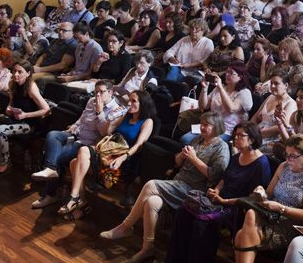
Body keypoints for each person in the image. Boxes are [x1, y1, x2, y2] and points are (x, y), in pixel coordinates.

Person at [101, 112, 230, 262]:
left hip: (195, 191)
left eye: (206, 125)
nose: (202, 127)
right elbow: (176, 163)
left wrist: (194, 159)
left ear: (216, 127)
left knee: (150, 185)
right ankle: (147, 249)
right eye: (201, 123)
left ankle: (125, 226)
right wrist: (182, 156)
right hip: (178, 183)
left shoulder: (222, 148)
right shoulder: (198, 140)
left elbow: (215, 175)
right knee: (152, 202)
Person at [166, 121, 272, 263]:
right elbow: (224, 179)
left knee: (201, 223)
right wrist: (215, 190)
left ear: (252, 139)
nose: (236, 138)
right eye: (235, 134)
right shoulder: (237, 156)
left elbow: (253, 199)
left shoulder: (261, 164)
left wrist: (224, 201)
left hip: (237, 208)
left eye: (241, 135)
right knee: (183, 211)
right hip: (219, 200)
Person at [30, 80, 126, 208]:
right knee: (53, 135)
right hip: (75, 134)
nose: (97, 95)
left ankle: (50, 194)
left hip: (87, 144)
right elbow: (82, 119)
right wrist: (72, 128)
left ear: (110, 92)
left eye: (101, 92)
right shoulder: (91, 101)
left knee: (57, 157)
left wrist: (99, 112)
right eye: (96, 92)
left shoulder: (116, 111)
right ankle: (50, 169)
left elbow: (104, 133)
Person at [60, 90, 154, 215]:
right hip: (108, 152)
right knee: (74, 162)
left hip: (123, 160)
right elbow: (106, 133)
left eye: (133, 101)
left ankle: (78, 200)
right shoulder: (125, 115)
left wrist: (122, 158)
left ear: (143, 104)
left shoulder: (148, 121)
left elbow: (139, 145)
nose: (129, 103)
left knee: (78, 157)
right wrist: (111, 118)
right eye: (129, 100)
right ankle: (78, 200)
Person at [233, 135, 303, 263]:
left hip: (289, 223)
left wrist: (281, 208)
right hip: (270, 213)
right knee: (250, 214)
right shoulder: (283, 166)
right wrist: (261, 192)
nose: (288, 159)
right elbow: (268, 194)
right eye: (286, 155)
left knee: (241, 235)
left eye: (293, 156)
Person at [0, 59, 50, 176]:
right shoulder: (12, 84)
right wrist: (9, 109)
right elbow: (11, 102)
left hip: (30, 123)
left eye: (20, 72)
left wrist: (25, 115)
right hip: (15, 119)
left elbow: (46, 109)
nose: (15, 74)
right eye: (14, 71)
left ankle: (5, 163)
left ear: (28, 73)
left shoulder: (31, 87)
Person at [251, 70, 298, 155]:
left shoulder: (291, 103)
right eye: (271, 83)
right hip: (257, 132)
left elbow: (280, 128)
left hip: (272, 140)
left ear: (286, 85)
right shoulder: (270, 97)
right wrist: (248, 129)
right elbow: (255, 116)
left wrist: (256, 134)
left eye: (276, 83)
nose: (272, 86)